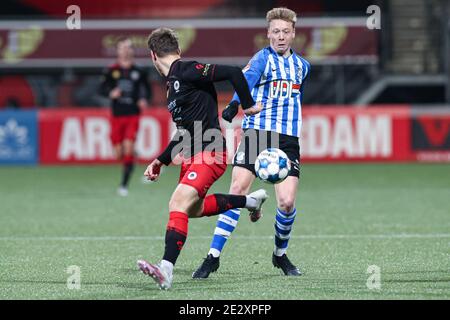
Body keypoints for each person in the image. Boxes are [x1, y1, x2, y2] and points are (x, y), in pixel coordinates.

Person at [137, 27, 268, 290]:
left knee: (176, 202)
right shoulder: (174, 83)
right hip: (191, 154)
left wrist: (248, 103)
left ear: (152, 55)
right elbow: (184, 132)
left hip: (209, 152)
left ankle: (166, 270)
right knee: (192, 209)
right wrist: (160, 161)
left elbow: (232, 71)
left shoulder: (186, 69)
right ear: (177, 48)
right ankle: (251, 201)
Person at [193, 7, 311, 278]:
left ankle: (279, 256)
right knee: (236, 189)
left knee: (287, 202)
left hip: (287, 139)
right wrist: (234, 105)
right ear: (268, 34)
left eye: (285, 32)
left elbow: (296, 97)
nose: (280, 36)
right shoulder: (261, 59)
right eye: (275, 32)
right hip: (257, 133)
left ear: (293, 34)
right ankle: (213, 257)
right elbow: (245, 81)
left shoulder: (303, 67)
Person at [99, 38, 152, 196]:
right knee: (118, 154)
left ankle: (123, 186)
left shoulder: (139, 71)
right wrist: (111, 93)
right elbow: (101, 89)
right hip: (116, 115)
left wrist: (143, 99)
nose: (126, 50)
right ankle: (139, 158)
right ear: (118, 51)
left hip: (133, 114)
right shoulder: (111, 70)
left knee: (128, 147)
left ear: (131, 51)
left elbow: (147, 90)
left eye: (128, 47)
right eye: (123, 48)